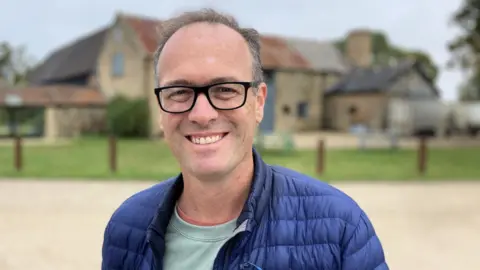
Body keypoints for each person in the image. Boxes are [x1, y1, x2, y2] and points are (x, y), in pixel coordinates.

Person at [101, 8, 389, 270]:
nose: (202, 114)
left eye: (225, 89)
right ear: (161, 109)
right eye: (179, 92)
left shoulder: (340, 228)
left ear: (259, 102)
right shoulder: (126, 229)